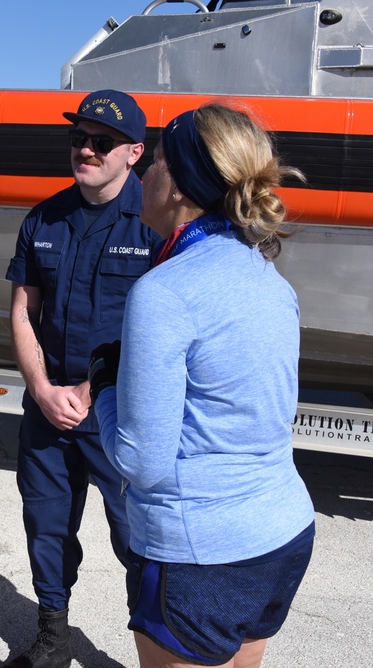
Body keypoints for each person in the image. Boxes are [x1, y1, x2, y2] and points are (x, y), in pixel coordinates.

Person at [91, 103, 316, 668]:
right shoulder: (270, 278)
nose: (144, 173)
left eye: (158, 159)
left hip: (200, 550)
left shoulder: (165, 291)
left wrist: (104, 386)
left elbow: (141, 462)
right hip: (282, 533)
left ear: (182, 184)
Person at [4, 89, 163, 668]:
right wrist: (43, 389)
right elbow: (23, 311)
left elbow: (163, 332)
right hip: (48, 410)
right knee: (45, 525)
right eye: (79, 139)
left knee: (138, 538)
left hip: (125, 413)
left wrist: (93, 391)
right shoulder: (44, 219)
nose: (87, 150)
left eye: (103, 142)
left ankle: (154, 648)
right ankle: (52, 637)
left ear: (134, 153)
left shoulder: (155, 223)